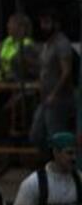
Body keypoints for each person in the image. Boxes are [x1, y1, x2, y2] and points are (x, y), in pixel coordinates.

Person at [30, 10, 76, 149]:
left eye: (47, 22)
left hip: (57, 99)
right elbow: (44, 67)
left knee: (55, 135)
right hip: (45, 98)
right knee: (36, 135)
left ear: (56, 24)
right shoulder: (47, 44)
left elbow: (66, 71)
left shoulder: (62, 43)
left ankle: (58, 165)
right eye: (42, 23)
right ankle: (50, 160)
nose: (43, 26)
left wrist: (54, 94)